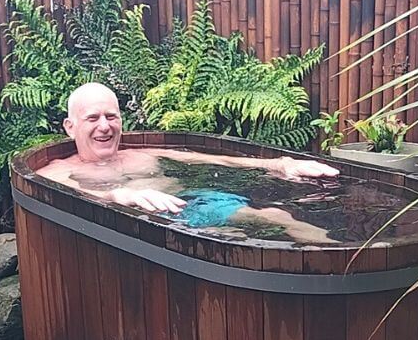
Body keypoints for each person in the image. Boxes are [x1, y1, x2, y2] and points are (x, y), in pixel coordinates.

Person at [37, 83, 341, 243]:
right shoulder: (59, 170)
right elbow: (63, 194)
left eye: (111, 116)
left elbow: (207, 159)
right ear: (70, 126)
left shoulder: (141, 155)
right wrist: (117, 196)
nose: (104, 125)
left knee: (275, 215)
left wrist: (278, 164)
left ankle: (334, 259)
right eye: (93, 118)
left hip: (188, 206)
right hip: (135, 230)